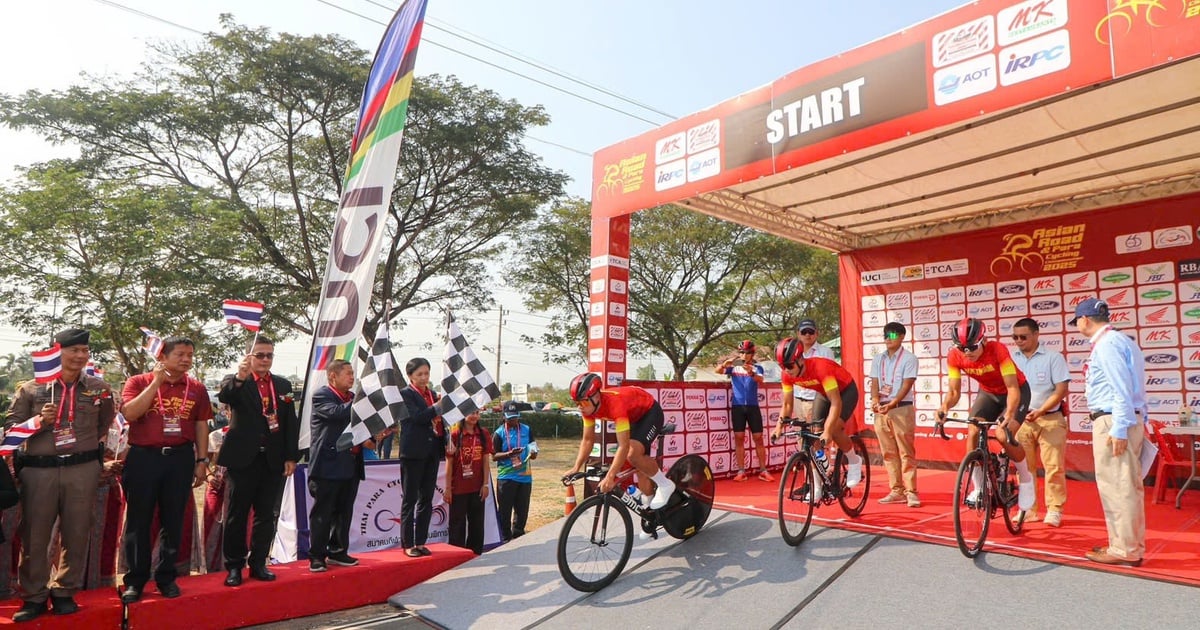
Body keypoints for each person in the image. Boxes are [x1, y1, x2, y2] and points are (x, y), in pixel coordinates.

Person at [4, 328, 115, 622]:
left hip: (82, 469)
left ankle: (64, 591)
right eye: (73, 350)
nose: (80, 356)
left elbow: (105, 423)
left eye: (84, 351)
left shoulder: (99, 389)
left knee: (77, 532)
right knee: (35, 535)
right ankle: (34, 596)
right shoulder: (31, 389)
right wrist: (40, 420)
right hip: (40, 471)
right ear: (58, 351)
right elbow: (11, 431)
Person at [118, 336, 213, 603]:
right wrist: (157, 383)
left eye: (190, 355)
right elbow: (130, 413)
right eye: (180, 354)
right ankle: (135, 580)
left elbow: (201, 425)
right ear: (162, 356)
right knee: (139, 520)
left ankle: (166, 576)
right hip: (143, 458)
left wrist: (202, 461)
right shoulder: (138, 382)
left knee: (173, 519)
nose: (186, 360)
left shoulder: (196, 388)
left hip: (180, 458)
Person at [216, 336, 299, 587]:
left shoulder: (282, 384)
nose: (265, 360)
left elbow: (289, 424)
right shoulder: (236, 381)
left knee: (266, 514)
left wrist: (291, 456)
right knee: (237, 514)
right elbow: (226, 396)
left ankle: (259, 562)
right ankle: (234, 566)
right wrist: (241, 376)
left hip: (272, 459)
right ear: (249, 356)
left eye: (269, 355)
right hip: (243, 458)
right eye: (260, 355)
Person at [1072, 298, 1147, 566]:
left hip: (1113, 420)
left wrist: (1119, 428)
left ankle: (1125, 549)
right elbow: (1133, 385)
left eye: (1077, 320)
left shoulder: (1107, 344)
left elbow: (1122, 388)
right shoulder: (1122, 341)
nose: (1077, 324)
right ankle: (1127, 545)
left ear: (1085, 320)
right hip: (1123, 419)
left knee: (1118, 486)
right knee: (1125, 486)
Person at [935, 318, 1035, 511]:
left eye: (972, 347)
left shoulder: (997, 350)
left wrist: (1010, 414)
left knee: (1002, 434)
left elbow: (1013, 388)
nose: (967, 352)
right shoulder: (954, 356)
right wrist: (944, 407)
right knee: (972, 430)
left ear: (983, 340)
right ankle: (979, 487)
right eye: (961, 348)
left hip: (1015, 391)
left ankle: (1026, 479)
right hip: (988, 393)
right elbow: (954, 392)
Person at [565, 374, 675, 510]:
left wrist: (610, 477)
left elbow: (624, 446)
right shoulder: (587, 410)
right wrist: (576, 467)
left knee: (632, 454)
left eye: (584, 402)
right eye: (577, 403)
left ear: (596, 396)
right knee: (640, 468)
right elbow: (588, 440)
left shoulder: (615, 405)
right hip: (633, 416)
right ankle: (651, 516)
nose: (580, 407)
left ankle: (665, 485)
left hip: (650, 411)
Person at [770, 338, 864, 492]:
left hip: (845, 391)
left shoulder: (821, 368)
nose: (786, 370)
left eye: (789, 365)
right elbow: (787, 404)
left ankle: (854, 461)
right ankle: (818, 486)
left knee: (833, 429)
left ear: (800, 359)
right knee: (814, 436)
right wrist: (779, 427)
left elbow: (836, 402)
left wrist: (827, 430)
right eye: (782, 366)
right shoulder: (786, 375)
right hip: (823, 393)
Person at [1011, 318, 1071, 527]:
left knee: (1054, 467)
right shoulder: (1010, 359)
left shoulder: (1053, 358)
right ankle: (1028, 509)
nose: (1019, 341)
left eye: (1023, 337)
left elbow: (1061, 390)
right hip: (1021, 420)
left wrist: (1041, 410)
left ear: (1036, 334)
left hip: (1050, 419)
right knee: (1024, 469)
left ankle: (1054, 509)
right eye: (1015, 337)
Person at [306, 359, 364, 572]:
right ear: (333, 376)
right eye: (348, 373)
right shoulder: (322, 395)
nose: (352, 377)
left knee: (344, 511)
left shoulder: (353, 398)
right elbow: (337, 413)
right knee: (323, 513)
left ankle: (338, 550)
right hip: (327, 466)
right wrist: (364, 402)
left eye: (352, 373)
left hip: (350, 464)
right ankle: (317, 555)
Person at [397, 357, 454, 558]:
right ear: (410, 376)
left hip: (432, 451)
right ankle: (407, 543)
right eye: (419, 374)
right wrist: (438, 407)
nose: (423, 378)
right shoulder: (405, 394)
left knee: (426, 499)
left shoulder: (432, 394)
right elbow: (417, 418)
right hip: (413, 452)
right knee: (410, 499)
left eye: (426, 374)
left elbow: (439, 419)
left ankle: (421, 541)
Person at [868, 322, 920, 507]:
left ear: (901, 336)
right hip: (881, 409)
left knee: (906, 452)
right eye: (885, 335)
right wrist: (875, 400)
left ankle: (911, 492)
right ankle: (896, 490)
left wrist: (892, 402)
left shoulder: (909, 358)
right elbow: (874, 382)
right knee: (888, 452)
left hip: (901, 408)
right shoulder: (878, 359)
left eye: (891, 335)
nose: (887, 339)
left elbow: (907, 385)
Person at [716, 340, 772, 482]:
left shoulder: (757, 366)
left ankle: (763, 470)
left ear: (752, 354)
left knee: (758, 438)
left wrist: (751, 373)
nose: (744, 355)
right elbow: (718, 371)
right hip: (738, 406)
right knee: (739, 438)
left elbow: (761, 379)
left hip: (753, 406)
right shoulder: (735, 366)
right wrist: (724, 364)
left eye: (747, 353)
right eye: (741, 352)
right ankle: (741, 471)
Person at [448, 410, 492, 554]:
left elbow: (486, 461)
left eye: (477, 413)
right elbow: (449, 463)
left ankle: (475, 553)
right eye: (470, 413)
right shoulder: (454, 434)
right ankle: (457, 555)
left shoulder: (484, 434)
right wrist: (448, 488)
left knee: (477, 524)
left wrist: (485, 484)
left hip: (477, 487)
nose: (474, 416)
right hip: (458, 488)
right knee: (457, 525)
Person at [493, 402, 537, 541]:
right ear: (504, 417)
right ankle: (505, 538)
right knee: (505, 511)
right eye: (510, 418)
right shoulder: (499, 433)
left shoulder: (527, 429)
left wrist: (534, 453)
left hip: (525, 476)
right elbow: (494, 456)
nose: (513, 420)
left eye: (515, 417)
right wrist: (509, 454)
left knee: (522, 511)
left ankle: (518, 536)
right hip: (506, 477)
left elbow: (533, 446)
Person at [791, 318, 836, 422]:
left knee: (816, 434)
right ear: (798, 334)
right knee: (801, 435)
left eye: (811, 332)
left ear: (817, 333)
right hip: (797, 399)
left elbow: (829, 378)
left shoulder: (826, 352)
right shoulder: (792, 352)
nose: (807, 335)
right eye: (804, 332)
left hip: (816, 400)